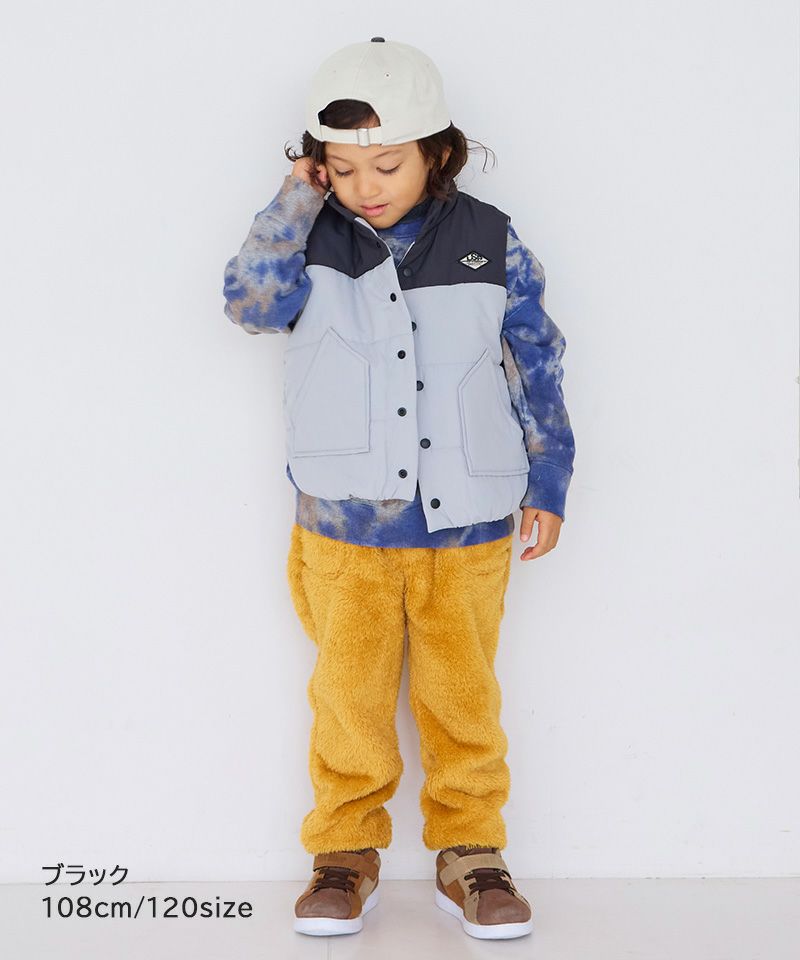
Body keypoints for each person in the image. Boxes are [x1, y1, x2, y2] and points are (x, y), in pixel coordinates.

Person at [222, 37, 575, 941]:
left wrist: (550, 478)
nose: (366, 186)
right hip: (344, 529)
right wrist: (295, 198)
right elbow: (251, 306)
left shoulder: (490, 238)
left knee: (464, 702)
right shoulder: (310, 235)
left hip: (469, 527)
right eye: (342, 169)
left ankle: (472, 852)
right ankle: (344, 852)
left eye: (387, 165)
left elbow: (536, 361)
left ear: (438, 153)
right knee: (347, 700)